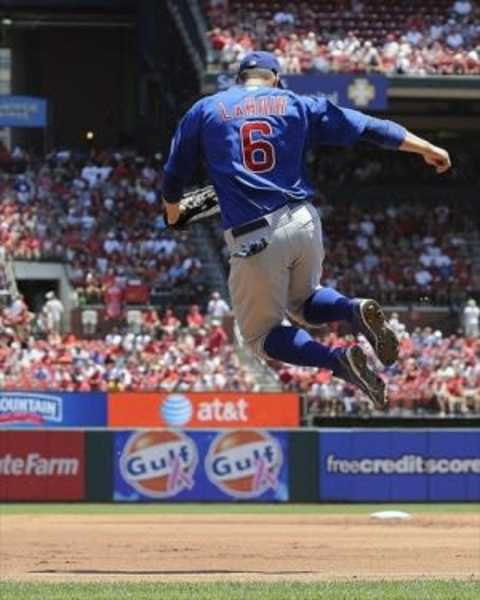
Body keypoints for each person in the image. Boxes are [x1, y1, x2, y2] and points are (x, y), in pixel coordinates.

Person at [162, 51, 451, 408]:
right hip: (303, 220)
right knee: (303, 303)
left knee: (259, 336)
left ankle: (338, 361)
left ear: (240, 78)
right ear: (276, 78)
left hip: (255, 235)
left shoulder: (206, 109)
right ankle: (351, 308)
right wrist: (425, 146)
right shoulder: (295, 103)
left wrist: (175, 214)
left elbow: (174, 177)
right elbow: (366, 127)